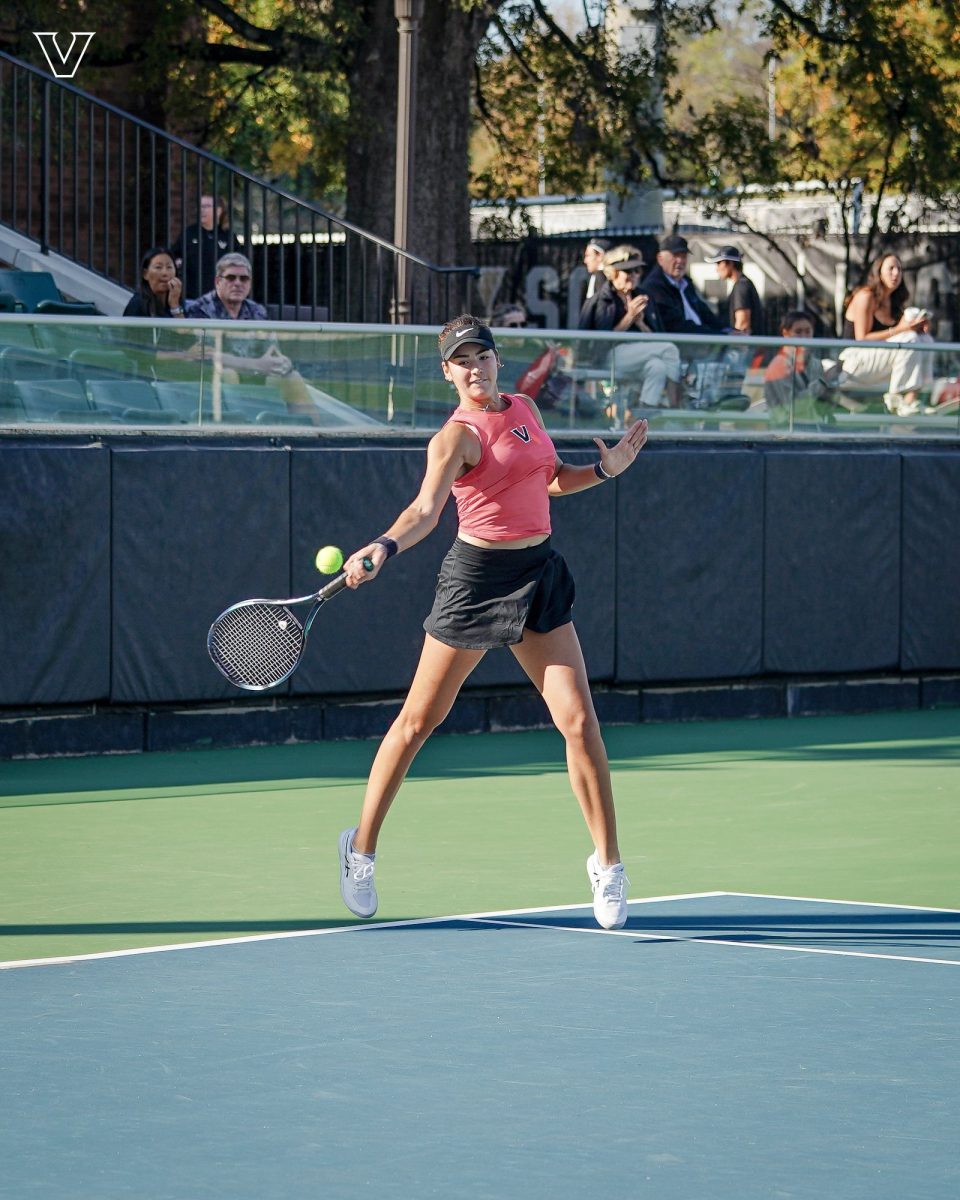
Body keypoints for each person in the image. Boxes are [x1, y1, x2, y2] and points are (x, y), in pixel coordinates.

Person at [336, 314, 648, 931]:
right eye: (461, 361)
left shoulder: (527, 407)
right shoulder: (455, 438)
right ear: (448, 373)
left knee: (579, 720)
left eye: (482, 356)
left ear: (498, 361)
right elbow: (426, 509)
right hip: (476, 582)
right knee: (418, 722)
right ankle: (361, 848)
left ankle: (609, 864)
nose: (474, 368)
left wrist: (608, 469)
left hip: (539, 575)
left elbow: (549, 479)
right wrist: (383, 546)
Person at [578, 244, 682, 410]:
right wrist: (629, 317)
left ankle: (641, 416)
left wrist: (640, 323)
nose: (633, 275)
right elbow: (601, 341)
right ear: (614, 273)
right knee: (670, 349)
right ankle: (676, 404)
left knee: (658, 367)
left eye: (637, 271)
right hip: (611, 357)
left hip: (640, 356)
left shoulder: (643, 297)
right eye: (628, 271)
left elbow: (657, 337)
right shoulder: (602, 299)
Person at [836, 253, 931, 414]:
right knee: (910, 338)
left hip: (880, 363)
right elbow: (862, 339)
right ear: (879, 272)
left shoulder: (894, 302)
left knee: (925, 339)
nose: (896, 273)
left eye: (899, 269)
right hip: (853, 364)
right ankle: (896, 399)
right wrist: (902, 329)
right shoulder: (865, 296)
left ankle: (916, 397)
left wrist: (918, 327)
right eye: (891, 268)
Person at [639, 234, 728, 336]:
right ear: (660, 259)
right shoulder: (654, 287)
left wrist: (727, 330)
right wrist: (718, 334)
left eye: (683, 256)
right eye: (675, 255)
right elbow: (675, 326)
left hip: (700, 339)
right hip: (681, 345)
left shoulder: (686, 283)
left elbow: (705, 313)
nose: (680, 261)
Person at [762, 310, 840, 422]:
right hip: (786, 432)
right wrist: (823, 381)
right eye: (798, 332)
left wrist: (832, 387)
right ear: (785, 334)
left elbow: (821, 406)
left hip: (814, 427)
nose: (804, 337)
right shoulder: (779, 366)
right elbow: (793, 408)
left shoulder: (815, 364)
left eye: (808, 331)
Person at [171, 195, 237, 300]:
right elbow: (174, 254)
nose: (202, 210)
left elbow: (238, 261)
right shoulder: (190, 232)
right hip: (192, 295)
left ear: (218, 210)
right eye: (200, 206)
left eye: (206, 206)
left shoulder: (227, 235)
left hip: (220, 296)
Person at [706, 245, 765, 336]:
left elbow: (743, 324)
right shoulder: (743, 284)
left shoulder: (741, 286)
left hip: (745, 347)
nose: (716, 269)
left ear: (730, 263)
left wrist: (735, 347)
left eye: (718, 263)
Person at [122, 247, 186, 319]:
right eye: (158, 267)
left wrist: (175, 306)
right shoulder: (137, 304)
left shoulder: (176, 300)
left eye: (169, 267)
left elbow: (185, 330)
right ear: (145, 274)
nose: (165, 273)